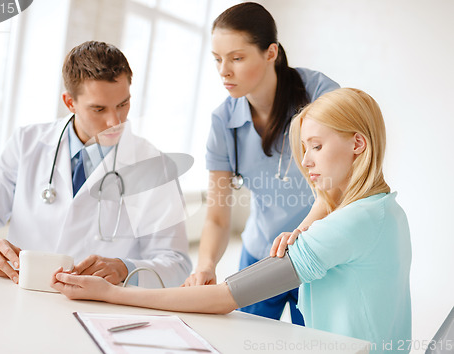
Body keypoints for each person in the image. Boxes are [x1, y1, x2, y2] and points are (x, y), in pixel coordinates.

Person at [51, 88, 412, 352]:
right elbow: (330, 204)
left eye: (316, 146)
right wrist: (304, 228)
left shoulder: (350, 224)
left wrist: (113, 294)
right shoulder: (385, 209)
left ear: (358, 144)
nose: (307, 161)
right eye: (304, 149)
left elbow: (227, 296)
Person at [0, 41, 191, 288]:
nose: (115, 121)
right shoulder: (28, 143)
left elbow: (177, 264)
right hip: (20, 295)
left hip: (99, 308)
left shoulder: (155, 166)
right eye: (99, 109)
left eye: (123, 104)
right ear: (70, 102)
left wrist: (124, 268)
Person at [182, 2, 339, 323]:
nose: (224, 70)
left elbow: (342, 184)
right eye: (217, 59)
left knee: (314, 343)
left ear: (271, 53)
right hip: (260, 252)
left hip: (317, 253)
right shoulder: (223, 122)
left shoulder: (320, 95)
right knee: (246, 339)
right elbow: (217, 216)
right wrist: (206, 266)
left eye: (237, 58)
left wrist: (300, 235)